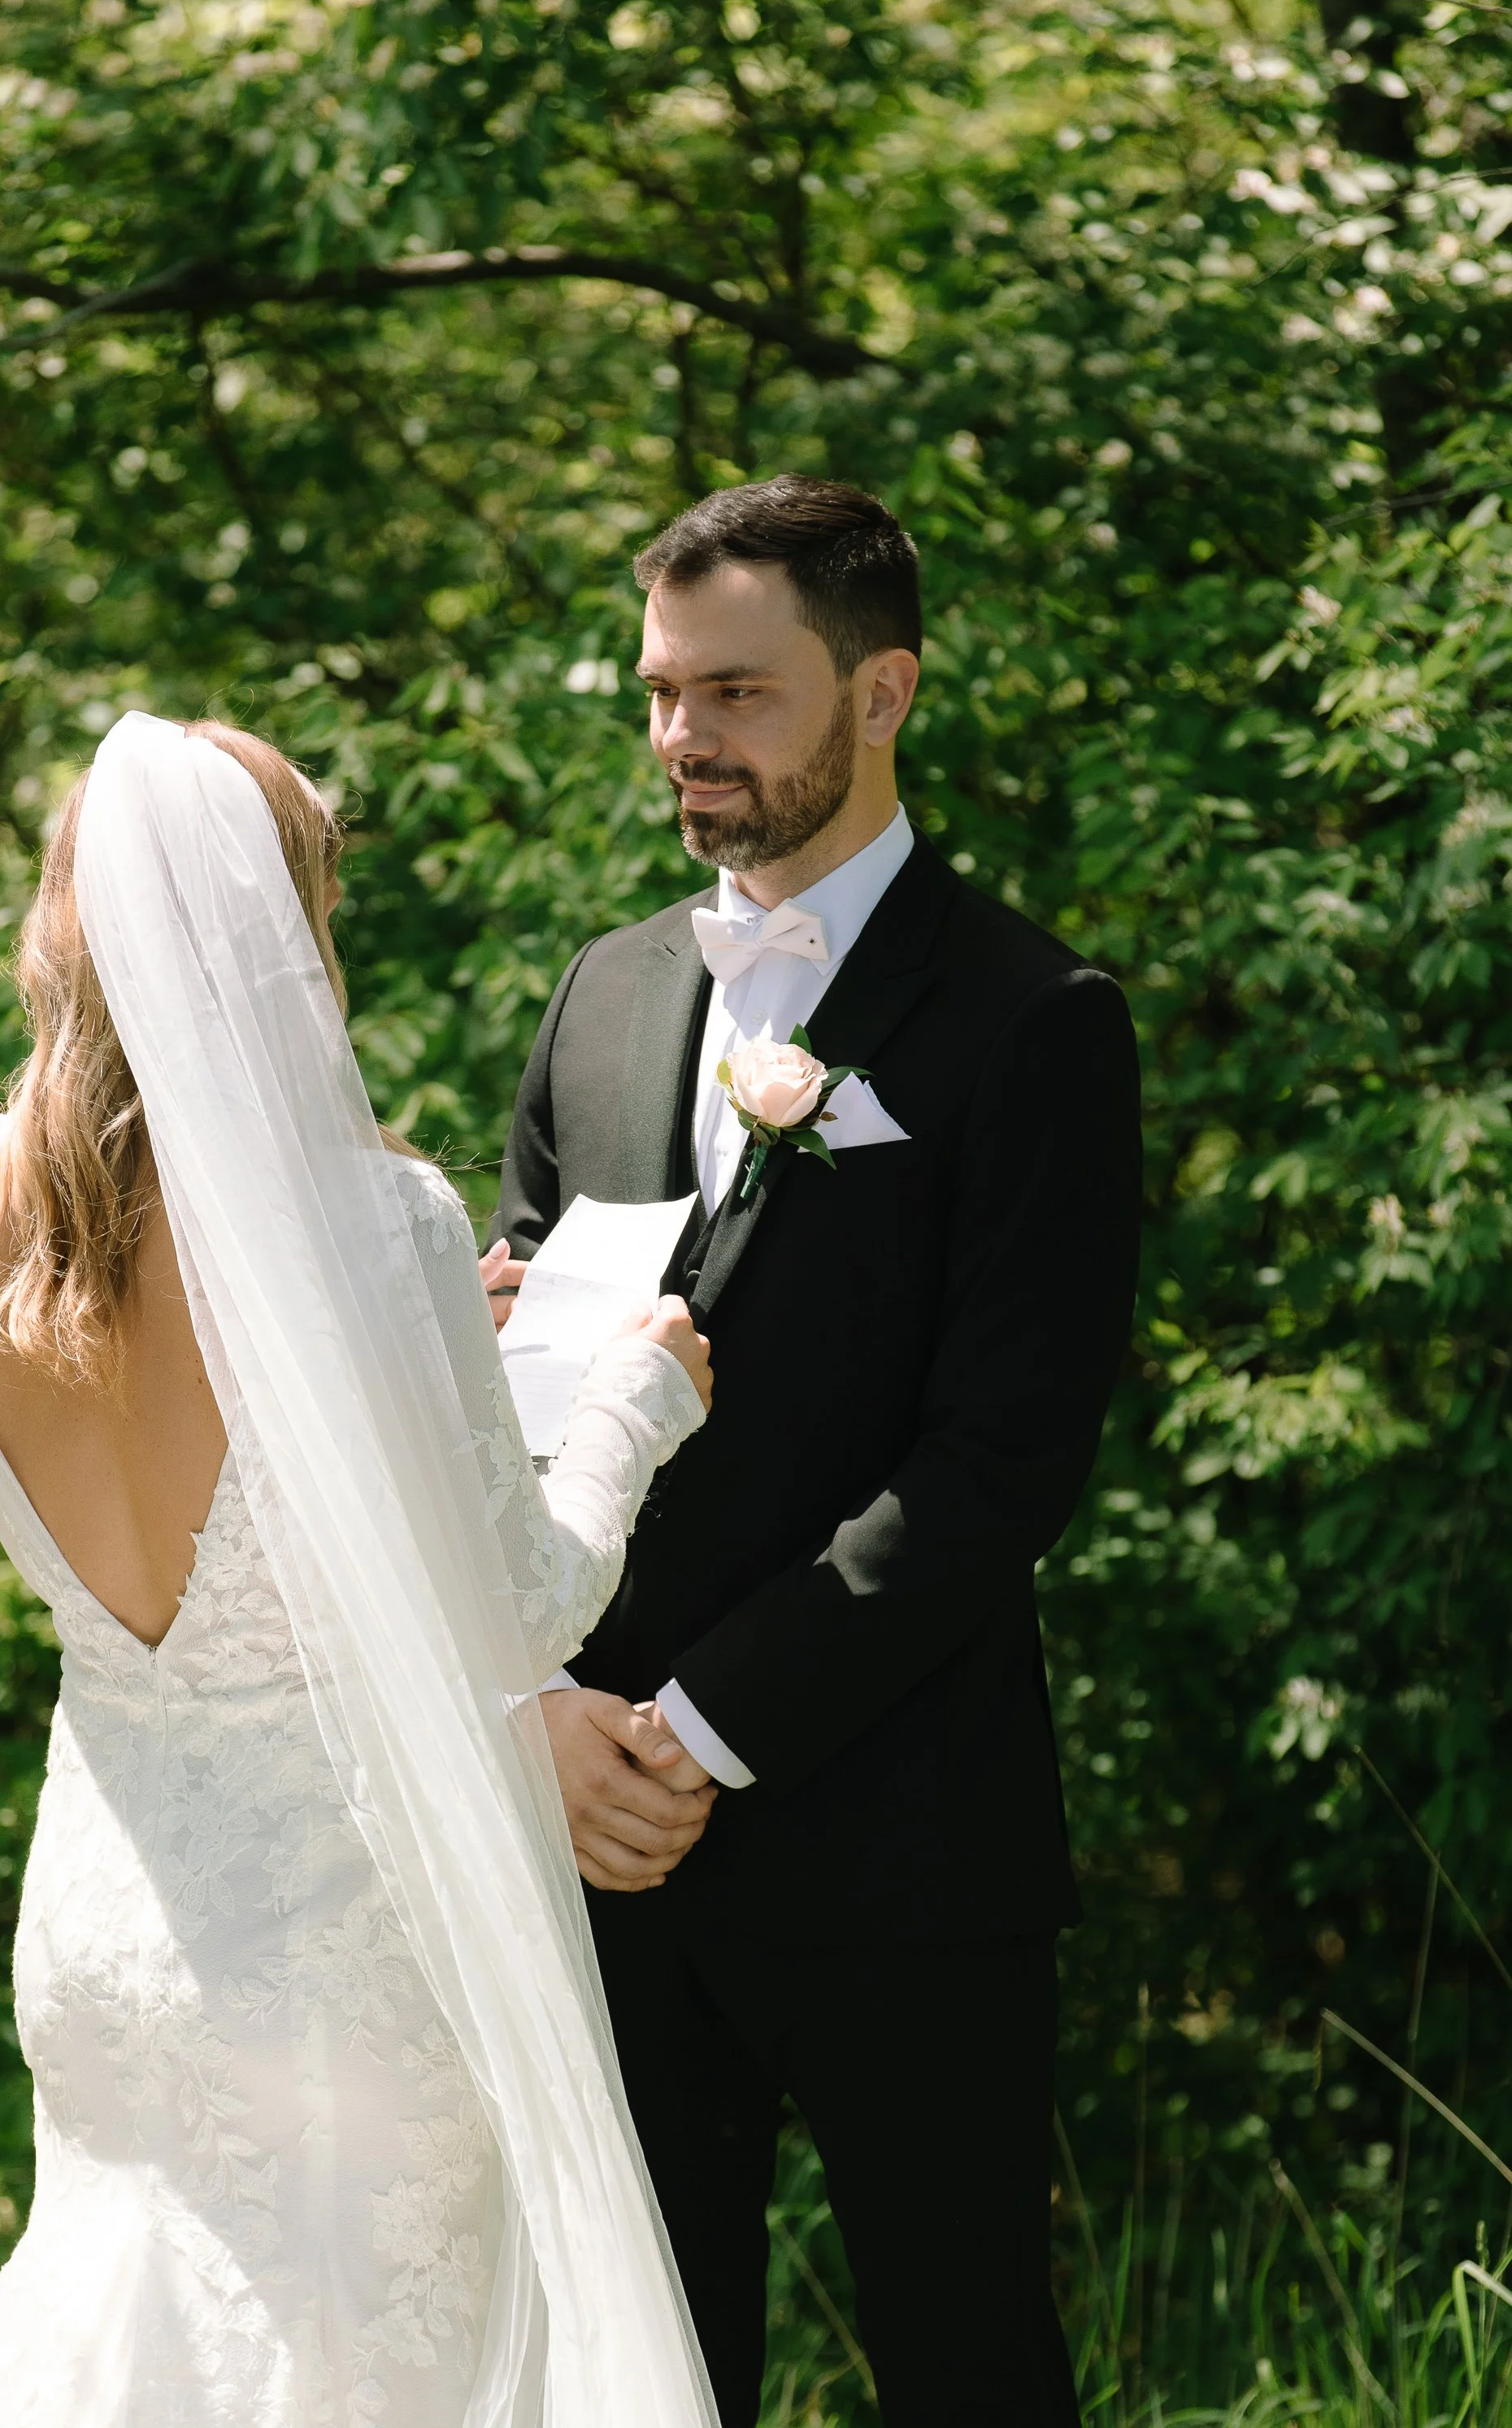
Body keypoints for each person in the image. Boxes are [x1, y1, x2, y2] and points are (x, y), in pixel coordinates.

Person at [0, 714, 724, 2428]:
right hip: (337, 1953)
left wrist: (401, 1366)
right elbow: (529, 1599)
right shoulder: (378, 1221)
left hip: (105, 1930)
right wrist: (636, 1401)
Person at [490, 476, 1143, 2426]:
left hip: (903, 1845)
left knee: (967, 2373)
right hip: (600, 1845)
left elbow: (997, 1465)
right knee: (629, 2383)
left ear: (883, 692)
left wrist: (694, 1724)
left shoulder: (1034, 1019)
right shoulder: (601, 993)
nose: (683, 736)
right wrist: (551, 1709)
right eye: (660, 691)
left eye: (737, 693)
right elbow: (505, 1404)